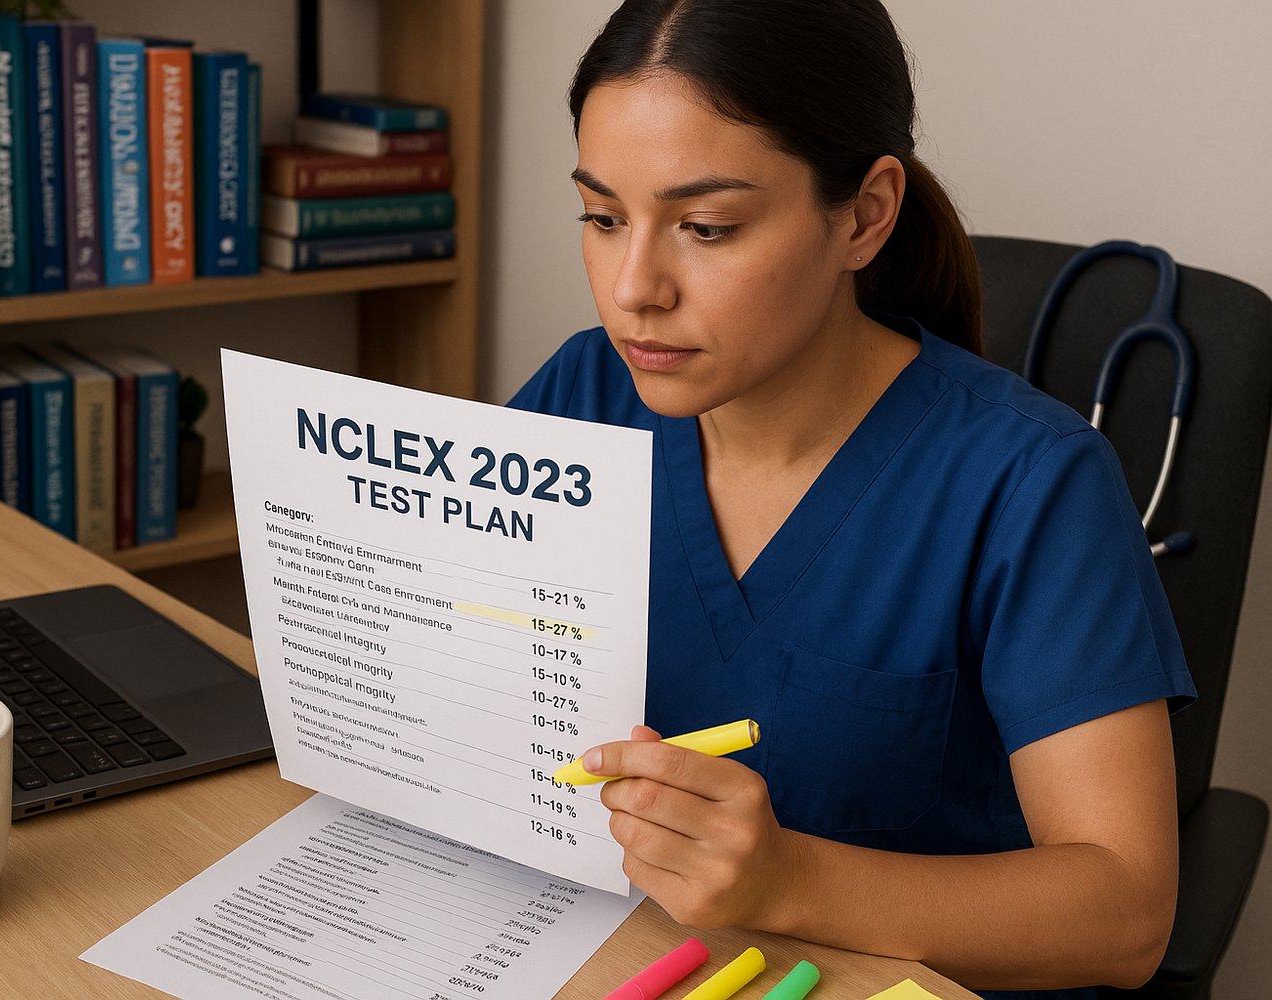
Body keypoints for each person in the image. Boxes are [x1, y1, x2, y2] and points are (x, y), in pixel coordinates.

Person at [506, 2, 1196, 997]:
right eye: (604, 217)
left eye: (705, 226)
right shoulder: (584, 395)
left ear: (867, 213)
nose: (633, 286)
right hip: (634, 957)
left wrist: (789, 878)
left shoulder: (1030, 482)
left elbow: (1125, 913)